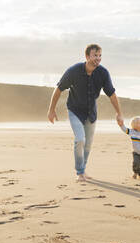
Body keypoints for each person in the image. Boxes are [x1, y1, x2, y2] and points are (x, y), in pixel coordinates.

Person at [47, 44, 123, 182]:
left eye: (100, 56)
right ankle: (80, 172)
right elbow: (59, 89)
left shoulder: (103, 73)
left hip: (91, 113)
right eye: (95, 55)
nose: (98, 59)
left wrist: (119, 113)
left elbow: (112, 94)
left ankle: (83, 169)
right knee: (80, 139)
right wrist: (51, 110)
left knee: (88, 144)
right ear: (87, 56)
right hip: (75, 110)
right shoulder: (73, 71)